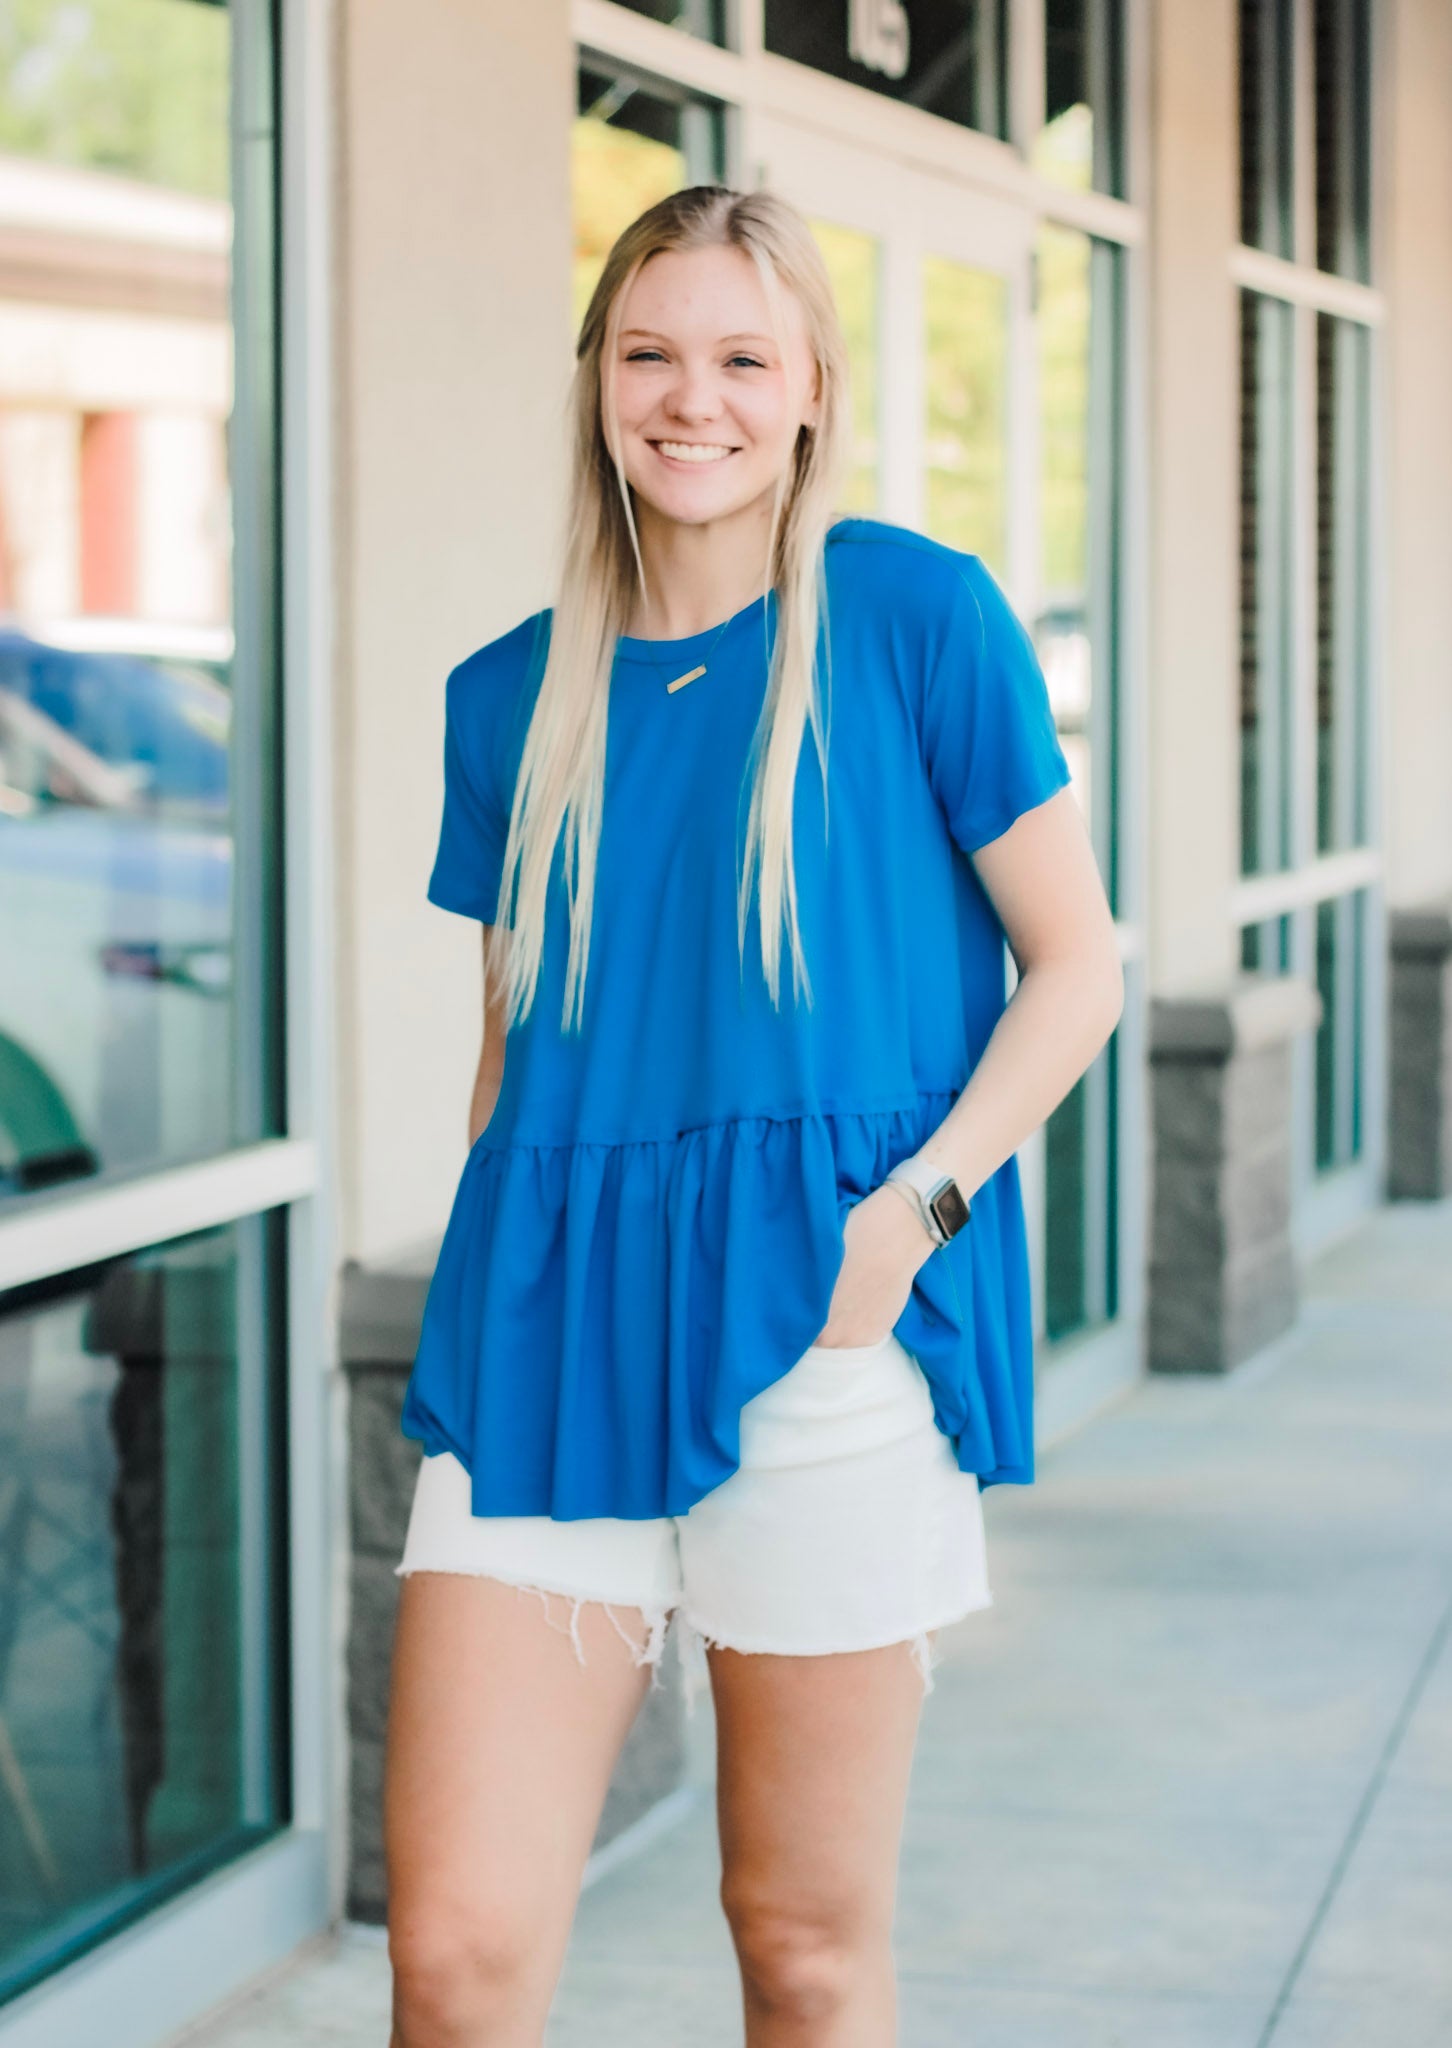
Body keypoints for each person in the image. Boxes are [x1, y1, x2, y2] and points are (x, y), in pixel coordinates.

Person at [382, 183, 1123, 2047]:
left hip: (829, 1333)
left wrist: (908, 1225)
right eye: (649, 354)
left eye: (739, 357)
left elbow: (1079, 971)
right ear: (597, 382)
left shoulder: (914, 619)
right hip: (547, 1338)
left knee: (800, 1948)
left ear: (809, 393)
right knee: (455, 1958)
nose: (690, 398)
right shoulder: (506, 698)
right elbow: (513, 1052)